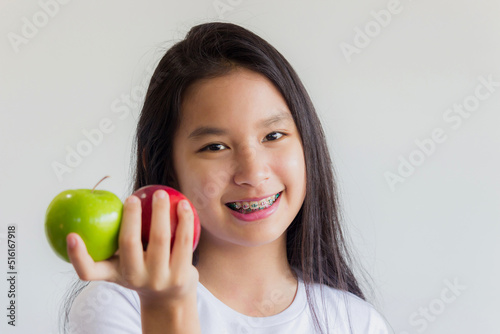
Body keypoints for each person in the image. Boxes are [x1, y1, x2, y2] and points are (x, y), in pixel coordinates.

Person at [62, 22, 392, 334]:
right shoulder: (118, 304)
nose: (252, 173)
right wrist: (164, 307)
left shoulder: (355, 322)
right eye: (215, 146)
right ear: (166, 166)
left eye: (274, 135)